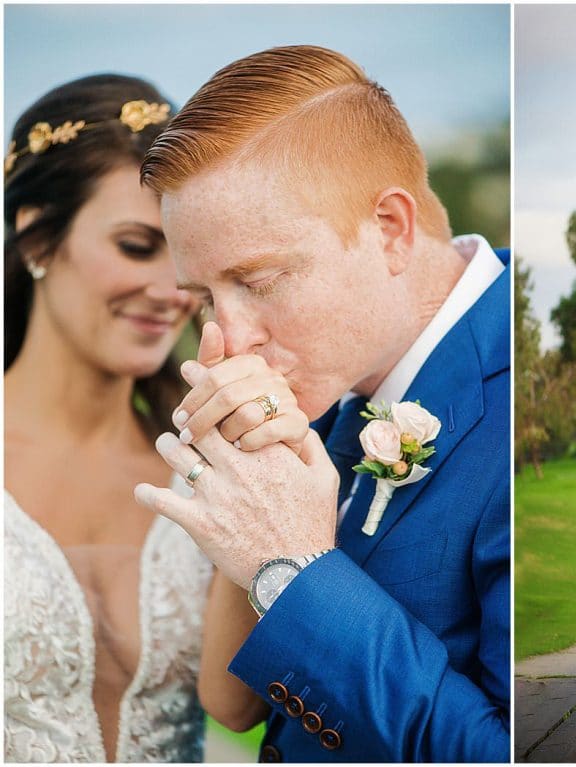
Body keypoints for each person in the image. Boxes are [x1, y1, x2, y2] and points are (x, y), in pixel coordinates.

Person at [132, 45, 510, 762]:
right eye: (205, 297)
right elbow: (233, 702)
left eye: (259, 280)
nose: (231, 338)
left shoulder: (513, 404)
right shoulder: (326, 381)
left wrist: (293, 568)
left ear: (390, 229)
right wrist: (249, 496)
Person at [3, 74, 259, 762]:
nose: (170, 291)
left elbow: (238, 706)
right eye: (137, 247)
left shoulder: (204, 464)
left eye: (184, 259)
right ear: (36, 239)